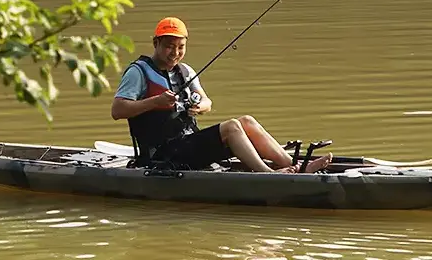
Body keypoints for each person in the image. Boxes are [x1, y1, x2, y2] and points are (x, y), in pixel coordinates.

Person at [110, 17, 332, 173]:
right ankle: (268, 174)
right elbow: (117, 110)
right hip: (162, 155)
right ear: (156, 43)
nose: (175, 53)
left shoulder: (185, 70)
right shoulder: (138, 72)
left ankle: (297, 167)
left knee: (246, 121)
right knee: (231, 126)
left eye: (181, 47)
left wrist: (199, 106)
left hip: (187, 143)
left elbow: (207, 101)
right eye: (169, 46)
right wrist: (155, 102)